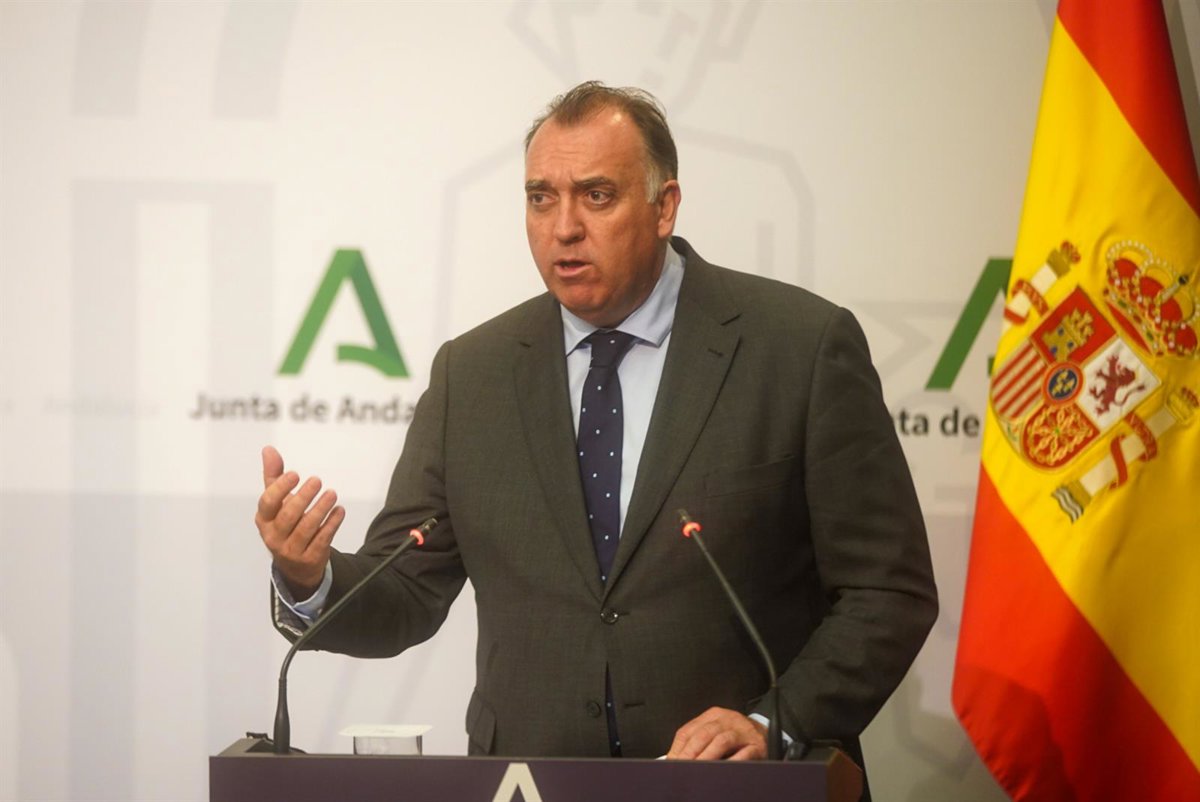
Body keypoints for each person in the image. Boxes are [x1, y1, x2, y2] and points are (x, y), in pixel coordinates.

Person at [256, 81, 936, 790]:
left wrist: (775, 722)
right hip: (528, 785)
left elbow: (887, 592)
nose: (564, 228)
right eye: (540, 198)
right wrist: (311, 577)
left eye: (597, 195)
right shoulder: (474, 375)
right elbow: (404, 594)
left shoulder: (799, 348)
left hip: (740, 787)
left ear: (664, 206)